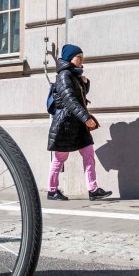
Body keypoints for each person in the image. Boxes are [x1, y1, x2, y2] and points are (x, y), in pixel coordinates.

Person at [46, 45, 112, 201]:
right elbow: (70, 100)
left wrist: (85, 84)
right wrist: (86, 118)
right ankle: (52, 190)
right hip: (65, 125)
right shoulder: (64, 75)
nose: (82, 60)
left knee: (89, 154)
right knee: (60, 158)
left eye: (82, 57)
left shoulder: (74, 75)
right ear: (70, 58)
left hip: (77, 124)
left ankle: (93, 189)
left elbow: (79, 95)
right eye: (79, 57)